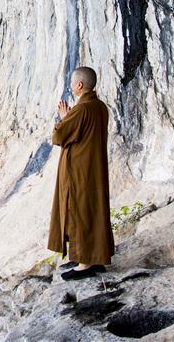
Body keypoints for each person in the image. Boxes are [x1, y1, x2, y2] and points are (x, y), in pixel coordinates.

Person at [47, 66, 115, 280]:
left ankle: (85, 264)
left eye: (72, 82)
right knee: (94, 211)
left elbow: (58, 137)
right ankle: (95, 257)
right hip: (95, 167)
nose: (71, 86)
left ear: (79, 85)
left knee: (80, 211)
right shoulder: (100, 107)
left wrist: (64, 117)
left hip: (79, 171)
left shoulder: (82, 108)